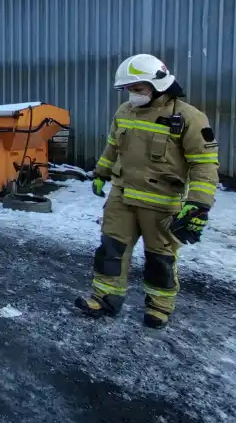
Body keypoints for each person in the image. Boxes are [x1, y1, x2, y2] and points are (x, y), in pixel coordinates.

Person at [75, 54, 218, 329]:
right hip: (122, 196)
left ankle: (159, 307)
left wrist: (199, 204)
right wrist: (101, 173)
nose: (132, 94)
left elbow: (204, 164)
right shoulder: (124, 112)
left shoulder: (189, 118)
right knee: (110, 250)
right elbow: (112, 147)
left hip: (161, 203)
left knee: (160, 258)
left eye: (138, 89)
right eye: (129, 89)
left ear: (158, 85)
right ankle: (105, 297)